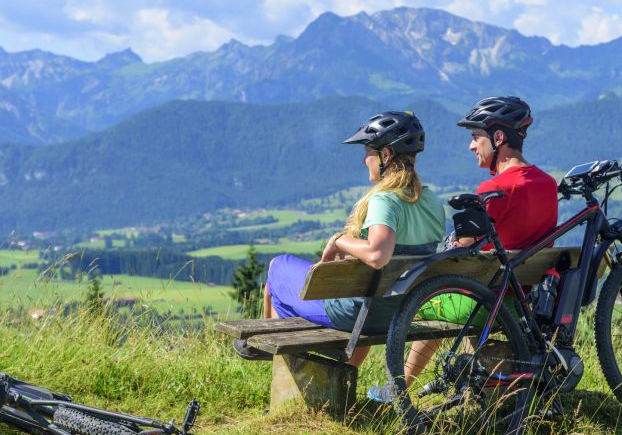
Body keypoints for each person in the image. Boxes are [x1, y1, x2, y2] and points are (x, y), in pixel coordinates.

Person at [367, 96, 559, 403]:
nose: (472, 147)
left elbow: (461, 253)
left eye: (475, 138)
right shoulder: (548, 184)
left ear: (498, 138)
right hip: (522, 304)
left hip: (484, 304)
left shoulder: (494, 189)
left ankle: (397, 388)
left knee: (408, 299)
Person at [233, 111, 446, 368]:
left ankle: (274, 351)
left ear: (385, 155)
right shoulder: (431, 201)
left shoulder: (385, 200)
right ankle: (343, 369)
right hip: (400, 311)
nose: (364, 160)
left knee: (278, 268)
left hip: (357, 314)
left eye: (368, 151)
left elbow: (378, 255)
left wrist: (338, 241)